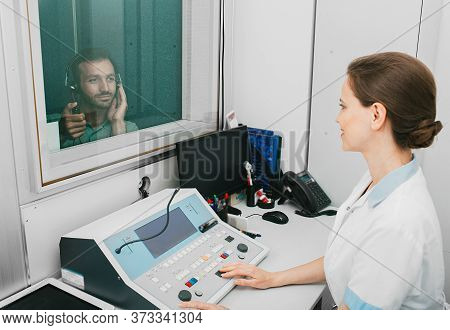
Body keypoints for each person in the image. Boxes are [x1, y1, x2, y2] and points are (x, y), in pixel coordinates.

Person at [180, 52, 446, 310]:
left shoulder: (397, 223)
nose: (337, 117)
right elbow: (344, 257)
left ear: (376, 115)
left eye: (343, 106)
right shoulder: (379, 179)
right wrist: (274, 278)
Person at [60, 48, 138, 148]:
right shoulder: (54, 126)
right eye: (93, 80)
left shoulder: (128, 128)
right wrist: (60, 134)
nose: (105, 88)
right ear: (75, 86)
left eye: (110, 79)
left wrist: (117, 124)